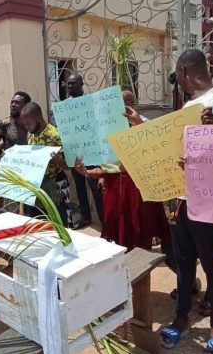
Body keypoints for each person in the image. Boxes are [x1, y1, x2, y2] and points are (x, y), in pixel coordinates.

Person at [161, 49, 213, 354]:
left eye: (177, 75)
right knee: (183, 260)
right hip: (181, 197)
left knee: (212, 264)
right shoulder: (187, 108)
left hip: (208, 200)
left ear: (183, 71)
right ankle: (182, 317)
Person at [73, 90, 170, 250]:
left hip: (139, 189)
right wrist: (85, 172)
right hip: (115, 189)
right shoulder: (107, 130)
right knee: (118, 233)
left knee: (141, 231)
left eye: (129, 101)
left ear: (134, 103)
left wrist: (138, 125)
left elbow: (158, 151)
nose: (125, 106)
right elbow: (106, 168)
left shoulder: (144, 124)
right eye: (120, 102)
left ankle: (142, 265)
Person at [20, 102, 71, 226]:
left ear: (39, 117)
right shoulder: (31, 134)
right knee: (39, 223)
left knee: (60, 223)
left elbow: (69, 166)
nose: (26, 126)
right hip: (37, 186)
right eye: (24, 123)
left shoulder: (55, 135)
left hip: (56, 184)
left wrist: (60, 162)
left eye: (29, 123)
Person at [66, 73, 103, 228]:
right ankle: (86, 217)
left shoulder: (91, 102)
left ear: (81, 84)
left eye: (73, 83)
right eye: (68, 84)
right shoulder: (65, 105)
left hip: (92, 152)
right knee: (79, 187)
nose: (70, 86)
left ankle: (104, 221)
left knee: (96, 188)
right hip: (75, 154)